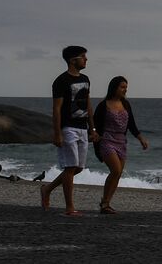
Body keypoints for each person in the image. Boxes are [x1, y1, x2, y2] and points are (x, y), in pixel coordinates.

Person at [40, 45, 97, 216]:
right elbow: (56, 108)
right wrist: (57, 133)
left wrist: (93, 128)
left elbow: (88, 104)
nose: (86, 59)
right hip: (68, 128)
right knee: (70, 167)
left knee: (78, 167)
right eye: (83, 56)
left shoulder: (86, 79)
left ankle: (47, 189)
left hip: (83, 128)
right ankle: (69, 207)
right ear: (73, 60)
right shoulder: (61, 81)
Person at [92, 76, 149, 214]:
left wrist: (141, 138)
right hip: (106, 141)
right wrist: (94, 139)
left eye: (126, 87)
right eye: (122, 87)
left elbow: (132, 125)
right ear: (114, 88)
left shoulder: (126, 104)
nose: (125, 89)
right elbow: (95, 125)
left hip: (121, 142)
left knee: (118, 174)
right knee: (116, 170)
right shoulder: (103, 105)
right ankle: (104, 203)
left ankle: (106, 203)